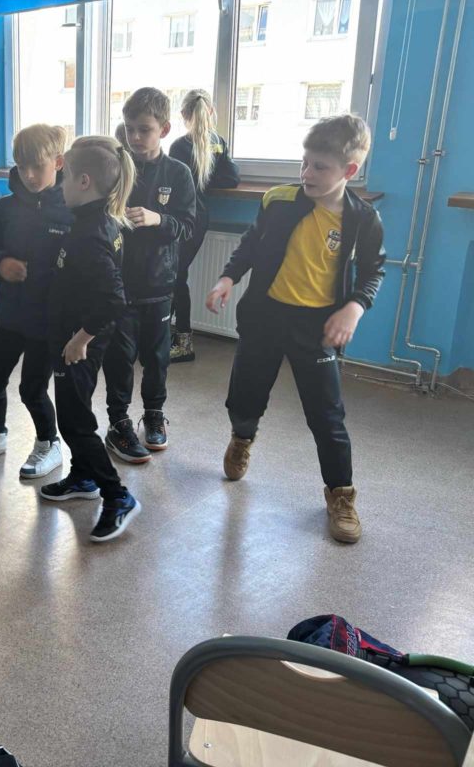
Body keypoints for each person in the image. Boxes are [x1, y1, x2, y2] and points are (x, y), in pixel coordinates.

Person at [205, 114, 385, 544]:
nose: (307, 174)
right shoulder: (279, 200)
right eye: (304, 163)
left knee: (327, 415)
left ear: (349, 170)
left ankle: (340, 494)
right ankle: (242, 437)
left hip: (316, 326)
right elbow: (250, 245)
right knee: (246, 395)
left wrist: (354, 308)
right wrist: (227, 278)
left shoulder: (362, 219)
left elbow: (373, 271)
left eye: (320, 167)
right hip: (266, 316)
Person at [39, 135, 142, 544]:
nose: (59, 184)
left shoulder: (90, 233)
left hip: (77, 342)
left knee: (75, 420)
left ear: (84, 182)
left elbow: (114, 299)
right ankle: (83, 477)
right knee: (74, 410)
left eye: (64, 176)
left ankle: (118, 495)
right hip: (70, 335)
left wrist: (81, 338)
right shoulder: (93, 220)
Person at [0, 124, 72, 479]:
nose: (29, 175)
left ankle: (49, 443)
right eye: (22, 166)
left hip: (48, 321)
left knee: (32, 389)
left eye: (37, 166)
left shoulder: (71, 210)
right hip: (11, 315)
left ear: (58, 162)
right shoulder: (4, 209)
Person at [103, 88, 196, 463]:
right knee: (119, 357)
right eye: (129, 129)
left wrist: (158, 219)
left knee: (157, 357)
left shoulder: (178, 173)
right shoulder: (116, 168)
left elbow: (188, 226)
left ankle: (154, 414)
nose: (135, 137)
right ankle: (118, 421)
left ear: (165, 130)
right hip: (119, 284)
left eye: (145, 129)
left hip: (159, 284)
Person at [169, 89, 240, 362]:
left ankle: (183, 341)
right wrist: (206, 181)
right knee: (177, 275)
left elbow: (173, 185)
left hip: (181, 217)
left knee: (174, 276)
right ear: (210, 112)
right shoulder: (218, 142)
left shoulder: (179, 146)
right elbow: (231, 178)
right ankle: (172, 335)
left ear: (184, 114)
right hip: (199, 217)